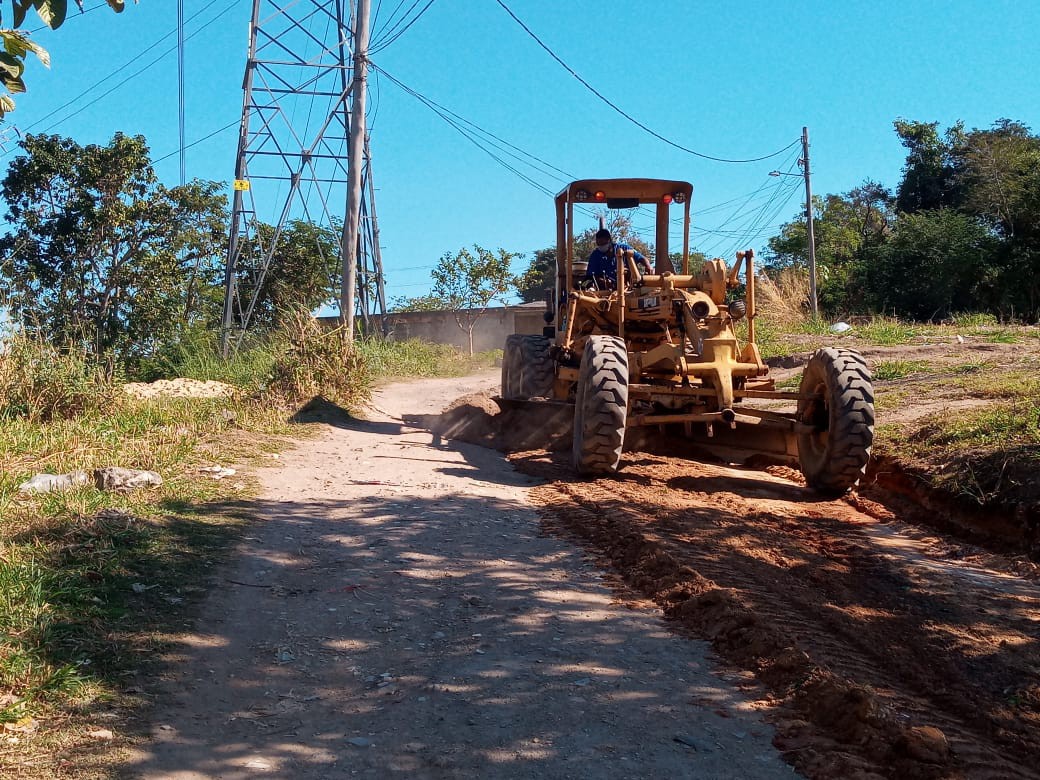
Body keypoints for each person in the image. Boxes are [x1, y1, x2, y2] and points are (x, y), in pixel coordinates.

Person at [585, 229, 652, 289]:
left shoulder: (624, 248)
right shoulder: (595, 256)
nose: (601, 247)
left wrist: (648, 266)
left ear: (609, 241)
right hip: (606, 291)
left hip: (630, 288)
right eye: (599, 244)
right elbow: (591, 276)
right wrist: (604, 281)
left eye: (603, 244)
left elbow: (641, 258)